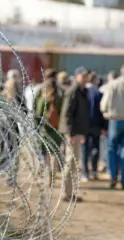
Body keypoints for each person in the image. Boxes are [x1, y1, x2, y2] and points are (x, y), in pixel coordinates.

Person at [100, 64, 124, 190]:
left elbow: (104, 103)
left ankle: (113, 176)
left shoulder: (113, 84)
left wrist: (105, 112)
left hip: (115, 120)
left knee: (111, 148)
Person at [59, 66, 90, 202]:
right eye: (83, 76)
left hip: (78, 131)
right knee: (70, 160)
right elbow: (67, 113)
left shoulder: (83, 91)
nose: (85, 78)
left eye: (86, 76)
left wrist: (82, 132)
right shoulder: (74, 91)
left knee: (74, 161)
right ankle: (66, 192)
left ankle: (70, 192)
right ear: (76, 76)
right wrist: (71, 132)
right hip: (72, 132)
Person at [35, 78, 63, 186]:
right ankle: (52, 176)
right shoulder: (59, 99)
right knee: (54, 155)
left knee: (44, 155)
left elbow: (38, 115)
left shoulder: (43, 99)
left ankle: (43, 177)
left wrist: (36, 128)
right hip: (56, 130)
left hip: (44, 130)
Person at [81, 73, 107, 182]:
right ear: (95, 81)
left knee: (85, 149)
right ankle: (94, 170)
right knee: (96, 147)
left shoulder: (83, 93)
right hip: (96, 125)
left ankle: (85, 172)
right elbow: (102, 112)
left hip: (84, 125)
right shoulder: (99, 94)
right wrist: (104, 127)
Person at [0, 78, 24, 186]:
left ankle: (7, 174)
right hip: (13, 129)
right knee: (14, 153)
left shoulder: (2, 97)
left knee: (7, 152)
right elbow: (25, 112)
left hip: (4, 128)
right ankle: (11, 177)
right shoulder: (18, 98)